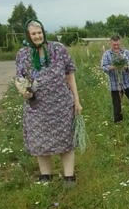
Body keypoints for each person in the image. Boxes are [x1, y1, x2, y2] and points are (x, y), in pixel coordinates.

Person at [15, 19, 82, 186]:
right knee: (40, 141)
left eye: (40, 33)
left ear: (43, 33)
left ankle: (69, 176)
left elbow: (70, 74)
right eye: (34, 34)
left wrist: (77, 100)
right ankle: (46, 175)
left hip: (61, 104)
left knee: (66, 139)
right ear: (28, 36)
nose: (38, 36)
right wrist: (24, 91)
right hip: (37, 107)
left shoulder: (58, 49)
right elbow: (20, 78)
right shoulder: (22, 54)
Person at [100, 35, 129, 123]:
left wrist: (125, 67)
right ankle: (118, 124)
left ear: (120, 43)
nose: (116, 46)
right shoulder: (106, 54)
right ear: (111, 44)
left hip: (128, 83)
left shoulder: (126, 53)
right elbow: (103, 67)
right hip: (115, 85)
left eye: (118, 44)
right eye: (114, 45)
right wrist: (114, 67)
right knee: (117, 106)